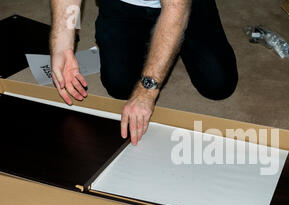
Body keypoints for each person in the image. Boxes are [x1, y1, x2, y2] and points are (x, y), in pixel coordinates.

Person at [50, 0, 238, 146]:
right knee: (119, 86)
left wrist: (147, 91)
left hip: (183, 6)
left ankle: (166, 41)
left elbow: (176, 9)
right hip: (123, 5)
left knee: (218, 84)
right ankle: (157, 41)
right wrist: (63, 45)